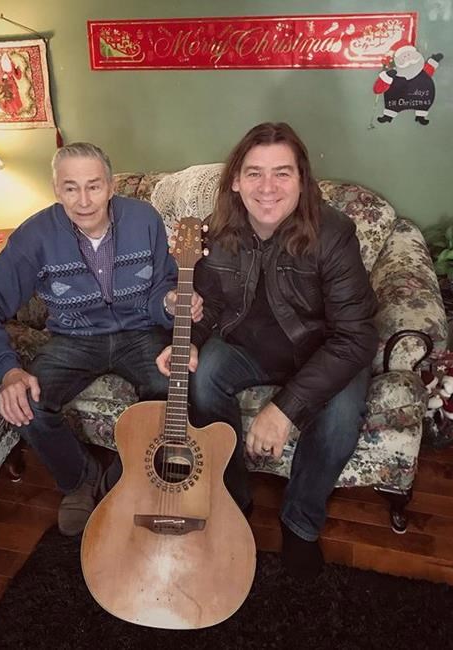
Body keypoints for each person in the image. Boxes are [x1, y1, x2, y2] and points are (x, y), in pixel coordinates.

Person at [157, 122, 378, 580]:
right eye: (254, 173)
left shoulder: (334, 234)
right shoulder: (218, 229)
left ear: (301, 180)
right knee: (203, 377)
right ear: (236, 181)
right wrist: (190, 340)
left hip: (325, 351)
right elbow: (209, 304)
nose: (268, 187)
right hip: (249, 346)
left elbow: (355, 337)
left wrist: (284, 409)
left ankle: (300, 523)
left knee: (340, 415)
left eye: (282, 173)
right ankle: (234, 499)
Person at [0, 142, 202, 536]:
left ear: (111, 186)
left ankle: (124, 478)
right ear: (56, 190)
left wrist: (170, 301)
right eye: (71, 188)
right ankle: (79, 479)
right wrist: (7, 372)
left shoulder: (144, 219)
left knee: (170, 392)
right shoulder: (34, 236)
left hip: (141, 332)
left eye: (93, 186)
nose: (84, 200)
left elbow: (165, 284)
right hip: (74, 337)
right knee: (28, 403)